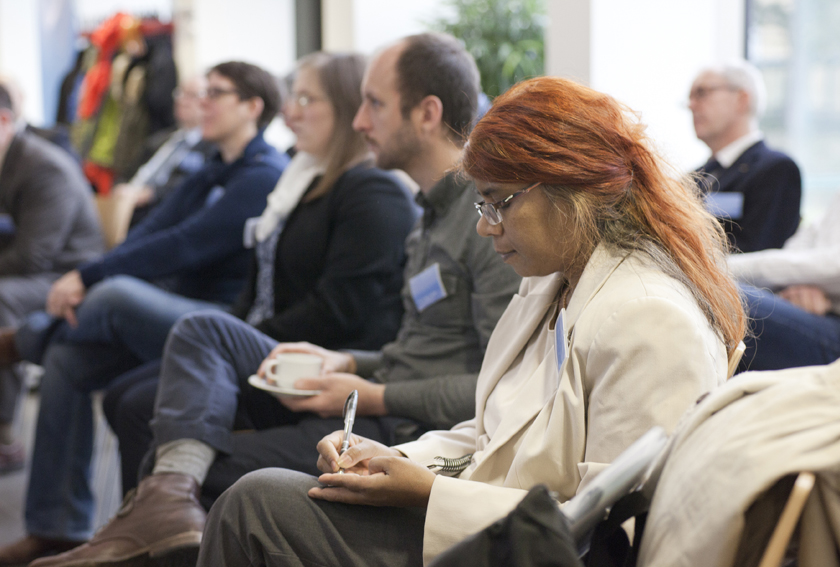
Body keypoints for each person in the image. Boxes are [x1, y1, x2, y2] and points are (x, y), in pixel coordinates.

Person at [196, 75, 749, 567]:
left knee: (257, 503)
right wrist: (397, 460)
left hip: (524, 549)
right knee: (258, 498)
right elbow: (495, 434)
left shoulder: (649, 318)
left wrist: (429, 494)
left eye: (497, 203)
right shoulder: (554, 281)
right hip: (487, 524)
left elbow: (612, 531)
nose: (486, 228)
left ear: (570, 188)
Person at [34, 33, 521, 567]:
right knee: (199, 332)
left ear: (427, 113)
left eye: (373, 104)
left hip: (401, 428)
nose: (361, 122)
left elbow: (493, 389)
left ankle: (149, 512)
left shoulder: (481, 223)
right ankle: (154, 513)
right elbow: (411, 349)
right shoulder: (426, 216)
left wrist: (368, 391)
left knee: (138, 372)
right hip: (369, 389)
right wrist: (347, 363)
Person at [0, 61, 287, 566]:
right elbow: (151, 233)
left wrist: (90, 278)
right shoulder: (211, 165)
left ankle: (23, 340)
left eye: (215, 93)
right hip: (172, 309)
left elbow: (184, 246)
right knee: (67, 361)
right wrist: (97, 272)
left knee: (111, 297)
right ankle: (57, 529)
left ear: (251, 107)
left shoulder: (262, 174)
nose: (202, 103)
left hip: (220, 325)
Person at [0, 82, 103, 472]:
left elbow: (32, 256)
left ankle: (4, 434)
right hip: (40, 267)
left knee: (2, 297)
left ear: (4, 121)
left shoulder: (42, 167)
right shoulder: (8, 158)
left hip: (70, 273)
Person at [730, 180, 840, 371]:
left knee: (719, 294)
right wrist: (795, 286)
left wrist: (720, 267)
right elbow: (798, 249)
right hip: (812, 308)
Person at [689, 60, 802, 253]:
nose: (691, 105)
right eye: (690, 98)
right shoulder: (691, 177)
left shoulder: (776, 169)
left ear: (741, 99)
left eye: (702, 93)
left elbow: (758, 250)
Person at [113, 76, 217, 225]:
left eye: (192, 95)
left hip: (156, 218)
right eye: (180, 93)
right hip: (122, 210)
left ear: (208, 103)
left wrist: (149, 193)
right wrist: (120, 188)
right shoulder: (160, 139)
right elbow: (126, 173)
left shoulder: (211, 149)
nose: (182, 100)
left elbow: (189, 188)